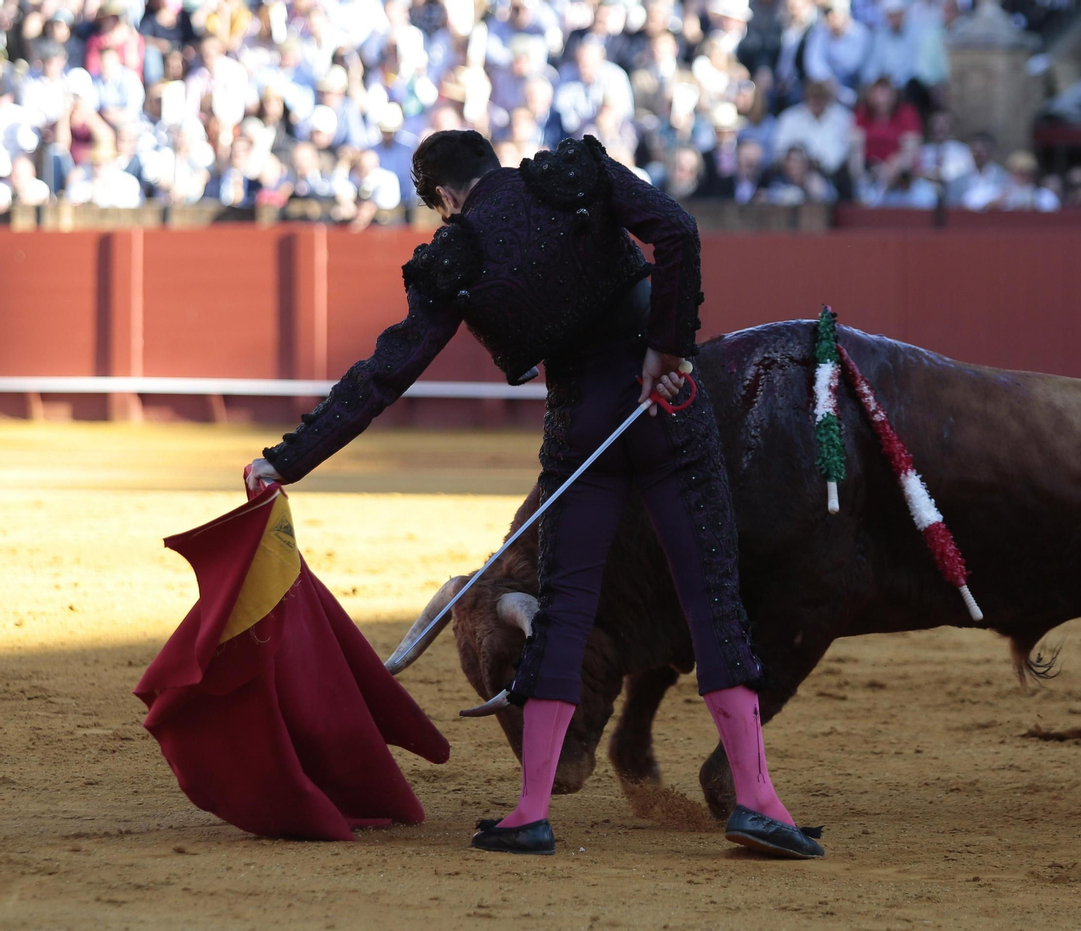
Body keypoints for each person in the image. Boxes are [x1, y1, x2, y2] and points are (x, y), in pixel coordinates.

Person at [242, 130, 825, 860]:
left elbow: (381, 377)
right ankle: (758, 802)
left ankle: (531, 810)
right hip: (664, 404)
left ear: (445, 199)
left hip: (580, 423)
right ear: (492, 161)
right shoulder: (572, 173)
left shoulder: (456, 253)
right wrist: (666, 347)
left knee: (565, 607)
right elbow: (677, 230)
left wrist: (285, 461)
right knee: (711, 593)